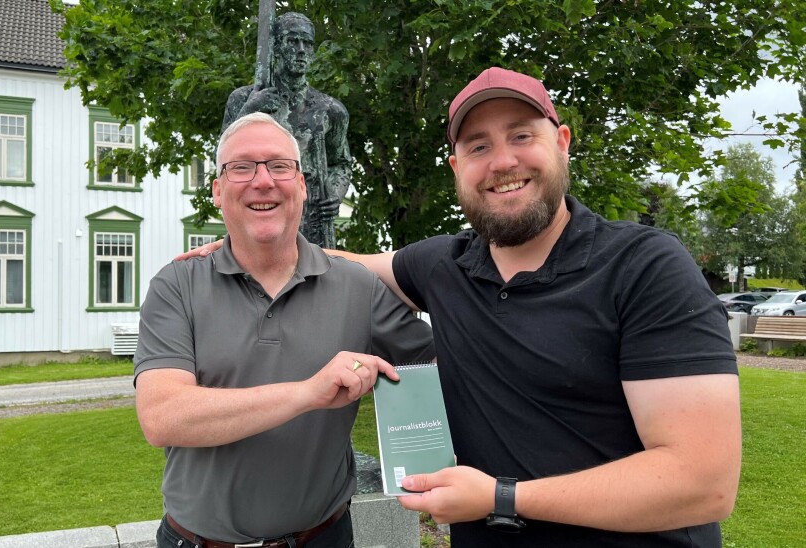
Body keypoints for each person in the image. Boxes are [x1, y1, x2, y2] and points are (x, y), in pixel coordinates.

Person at [179, 67, 742, 547]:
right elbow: (338, 259)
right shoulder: (442, 266)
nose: (501, 162)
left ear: (562, 142)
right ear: (456, 167)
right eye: (478, 146)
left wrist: (501, 498)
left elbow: (702, 481)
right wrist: (250, 243)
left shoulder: (645, 267)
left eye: (522, 136)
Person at [134, 112, 434, 548]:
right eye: (241, 167)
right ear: (217, 189)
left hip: (323, 538)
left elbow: (440, 367)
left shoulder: (358, 287)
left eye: (279, 166)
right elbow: (162, 417)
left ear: (303, 186)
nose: (263, 181)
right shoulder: (176, 285)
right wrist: (307, 393)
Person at [223, 12, 352, 249]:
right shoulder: (243, 99)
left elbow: (341, 162)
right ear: (276, 47)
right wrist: (250, 110)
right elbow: (223, 161)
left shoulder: (330, 110)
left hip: (312, 221)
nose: (301, 50)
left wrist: (334, 193)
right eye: (293, 41)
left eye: (307, 43)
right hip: (261, 213)